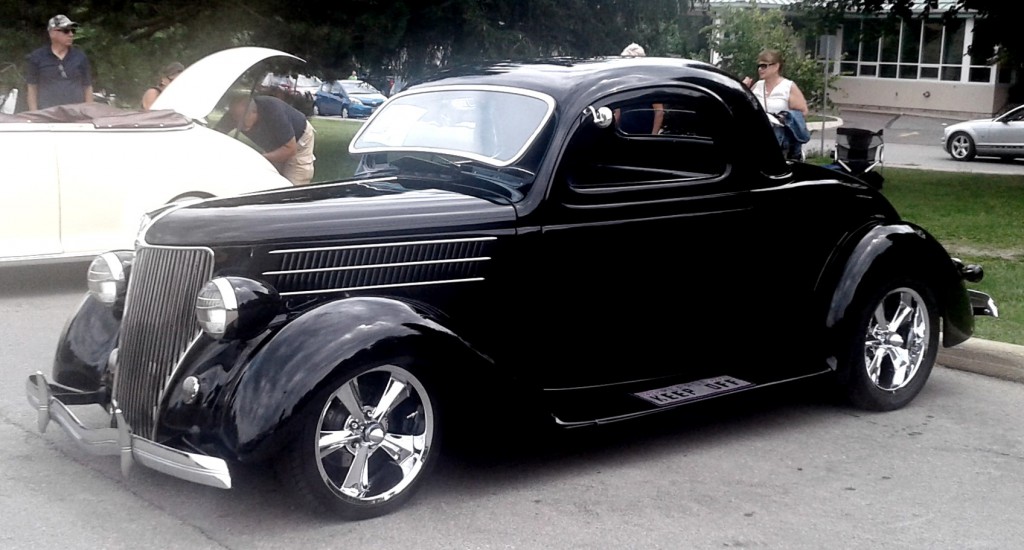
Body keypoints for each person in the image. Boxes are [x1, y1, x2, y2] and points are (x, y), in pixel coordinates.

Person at [217, 94, 316, 185]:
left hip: (299, 141)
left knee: (292, 184)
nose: (238, 123)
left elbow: (290, 149)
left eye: (241, 119)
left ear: (254, 112)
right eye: (235, 118)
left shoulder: (274, 112)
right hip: (274, 144)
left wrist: (259, 158)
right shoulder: (234, 115)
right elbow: (216, 135)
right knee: (266, 180)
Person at [742, 49, 810, 159]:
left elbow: (802, 112)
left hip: (780, 142)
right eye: (759, 66)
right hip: (758, 138)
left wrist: (783, 118)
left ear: (776, 66)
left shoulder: (788, 86)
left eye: (764, 66)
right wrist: (743, 89)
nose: (760, 69)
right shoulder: (758, 86)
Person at [25, 14, 93, 111]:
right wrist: (34, 113)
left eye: (72, 30)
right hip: (47, 114)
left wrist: (89, 112)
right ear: (52, 33)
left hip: (76, 114)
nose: (71, 34)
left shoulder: (80, 57)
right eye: (66, 31)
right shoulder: (37, 57)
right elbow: (32, 87)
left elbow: (87, 87)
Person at [615, 43, 665, 135]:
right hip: (624, 134)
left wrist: (653, 136)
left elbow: (659, 111)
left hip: (644, 135)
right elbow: (618, 110)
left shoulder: (650, 82)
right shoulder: (622, 82)